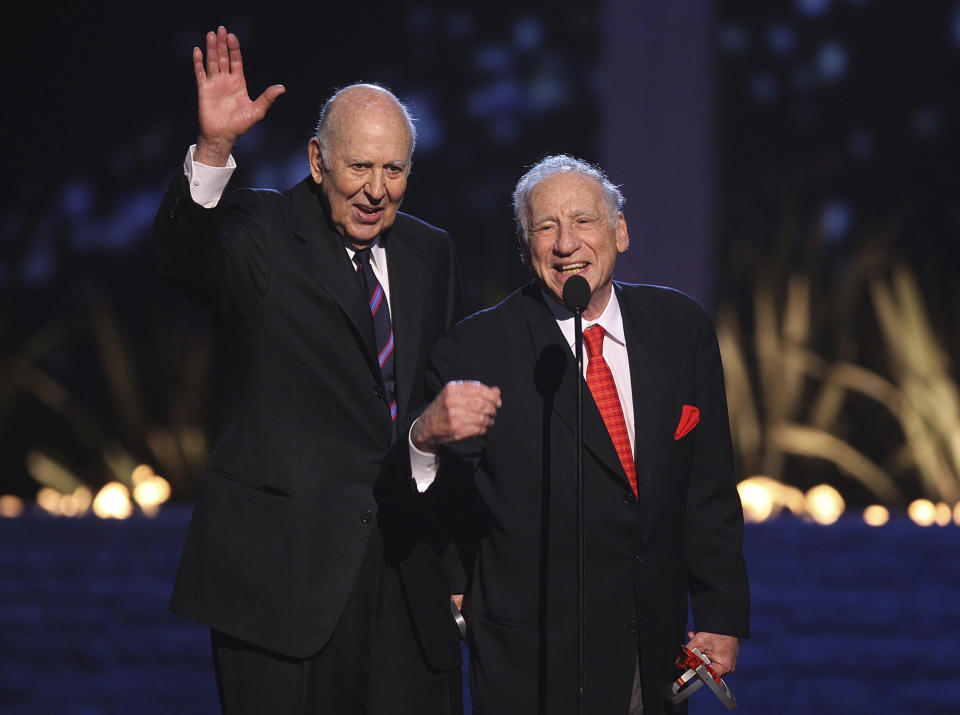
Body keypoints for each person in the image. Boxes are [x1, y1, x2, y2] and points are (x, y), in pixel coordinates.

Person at [152, 26, 464, 714]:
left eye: (394, 170)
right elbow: (181, 258)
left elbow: (435, 403)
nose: (377, 191)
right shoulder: (261, 231)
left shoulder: (430, 253)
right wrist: (214, 149)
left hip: (404, 579)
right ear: (318, 160)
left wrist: (457, 563)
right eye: (360, 168)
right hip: (279, 583)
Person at [409, 155, 750, 714]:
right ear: (526, 250)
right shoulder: (475, 349)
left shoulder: (680, 328)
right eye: (546, 227)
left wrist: (719, 615)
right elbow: (444, 501)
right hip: (530, 662)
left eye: (584, 221)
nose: (567, 243)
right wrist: (459, 593)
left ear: (620, 230)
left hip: (652, 652)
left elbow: (707, 488)